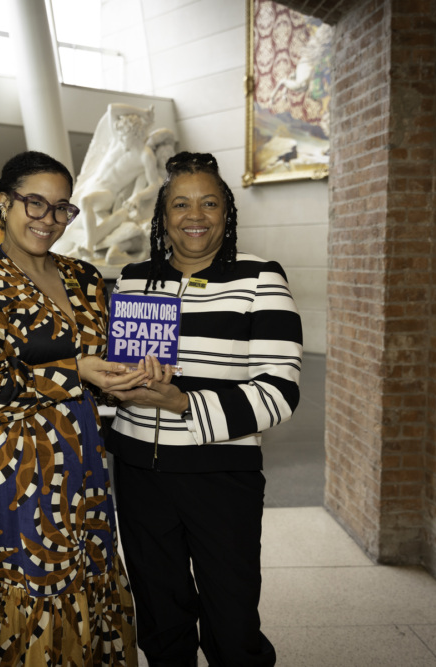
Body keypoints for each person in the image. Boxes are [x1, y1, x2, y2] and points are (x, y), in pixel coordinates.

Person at [0, 151, 145, 665]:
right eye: (34, 203)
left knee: (78, 580)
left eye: (61, 208)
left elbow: (101, 369)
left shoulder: (85, 277)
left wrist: (129, 377)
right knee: (17, 588)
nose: (48, 219)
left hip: (79, 467)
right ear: (4, 202)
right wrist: (75, 373)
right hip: (5, 471)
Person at [106, 152, 303, 667]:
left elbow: (281, 390)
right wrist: (114, 390)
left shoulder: (260, 279)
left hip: (220, 474)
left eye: (209, 203)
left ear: (226, 212)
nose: (195, 216)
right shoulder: (132, 280)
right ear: (163, 216)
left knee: (231, 618)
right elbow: (113, 378)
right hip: (139, 471)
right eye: (181, 204)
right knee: (160, 615)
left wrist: (183, 402)